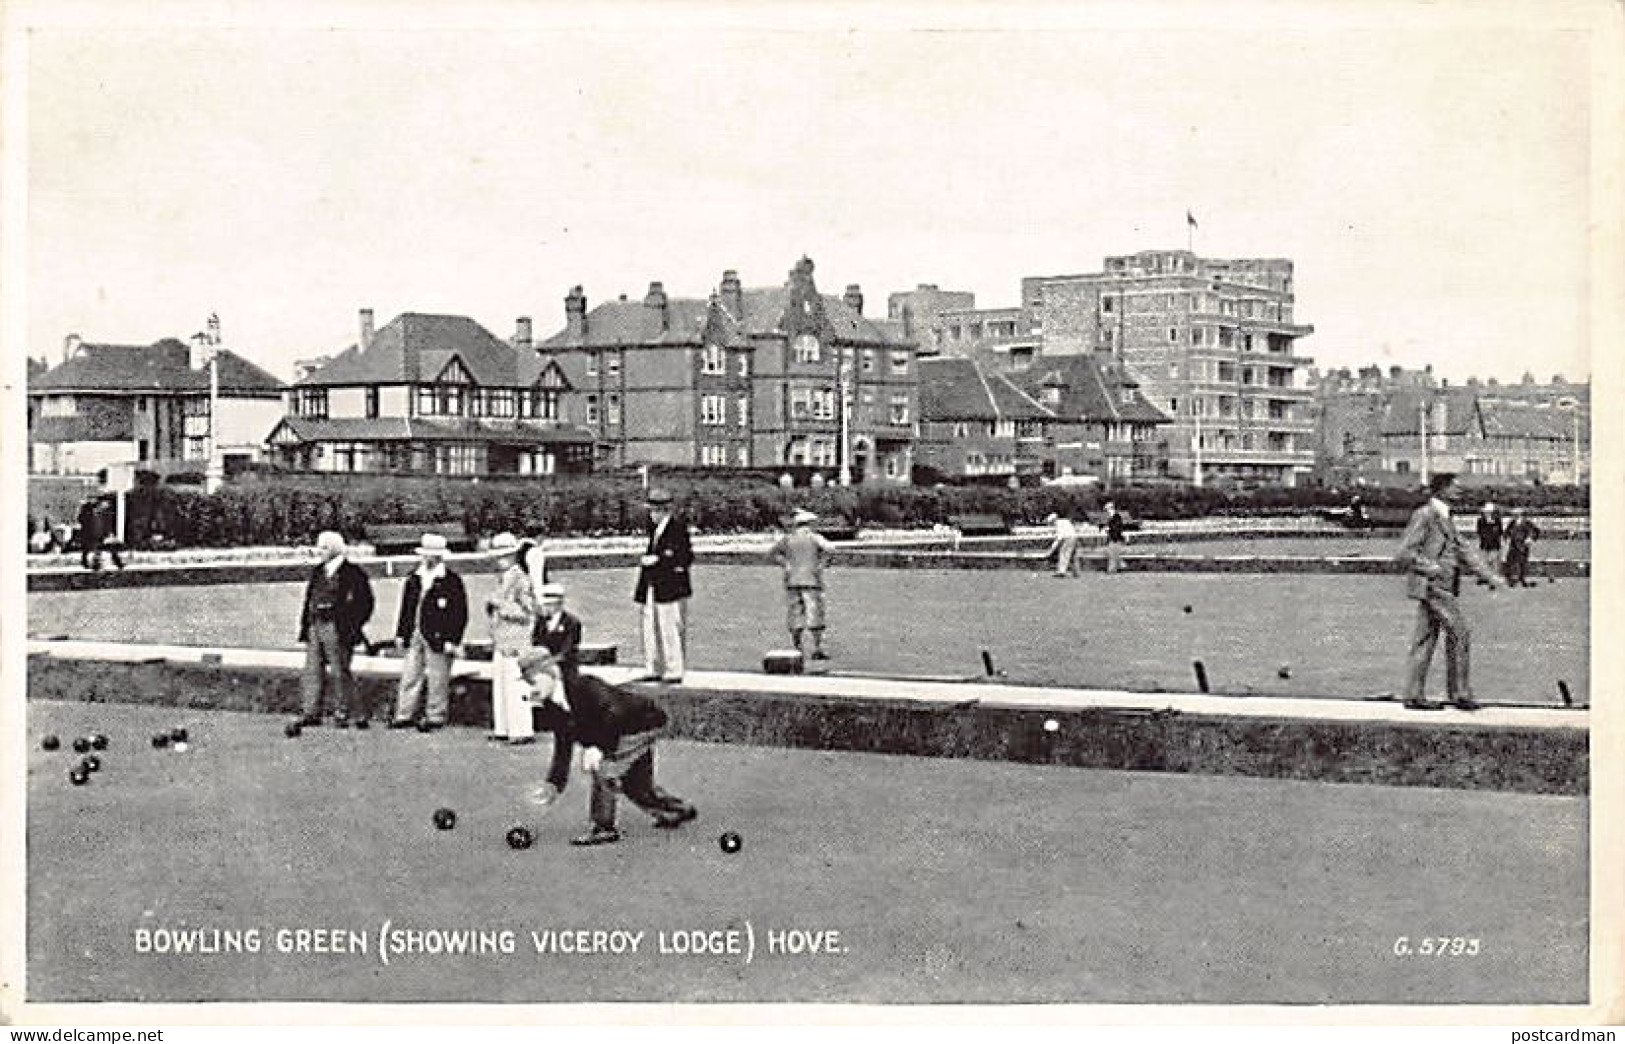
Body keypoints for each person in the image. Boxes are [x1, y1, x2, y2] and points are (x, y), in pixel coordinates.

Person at [516, 650, 697, 847]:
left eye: (532, 680)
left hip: (642, 723)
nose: (530, 687)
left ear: (552, 673)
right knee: (636, 787)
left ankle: (603, 828)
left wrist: (599, 748)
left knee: (605, 768)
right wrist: (554, 784)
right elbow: (563, 746)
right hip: (619, 732)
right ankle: (677, 810)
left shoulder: (584, 685)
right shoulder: (551, 707)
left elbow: (614, 712)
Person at [1395, 473, 1505, 711]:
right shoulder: (1425, 515)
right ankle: (1459, 694)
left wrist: (1490, 576)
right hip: (1434, 586)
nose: (1460, 491)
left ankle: (1414, 695)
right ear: (1442, 490)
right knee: (1460, 633)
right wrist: (1429, 567)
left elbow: (1465, 552)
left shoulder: (1445, 517)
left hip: (1437, 587)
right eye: (1455, 487)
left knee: (1425, 639)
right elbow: (1404, 553)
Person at [295, 531, 375, 728]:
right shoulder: (317, 572)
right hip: (315, 625)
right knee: (312, 670)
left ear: (334, 549)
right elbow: (309, 600)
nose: (319, 552)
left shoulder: (354, 574)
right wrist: (305, 626)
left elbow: (365, 604)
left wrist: (351, 625)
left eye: (323, 548)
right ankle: (311, 712)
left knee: (340, 671)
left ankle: (343, 712)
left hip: (338, 628)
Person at [390, 533, 468, 731]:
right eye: (425, 554)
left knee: (438, 678)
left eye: (431, 555)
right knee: (410, 675)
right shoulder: (414, 578)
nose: (427, 558)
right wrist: (401, 633)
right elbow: (406, 608)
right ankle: (404, 713)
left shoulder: (451, 581)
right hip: (416, 633)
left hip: (438, 635)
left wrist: (453, 639)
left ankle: (435, 716)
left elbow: (459, 614)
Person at [528, 583, 583, 807]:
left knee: (570, 732)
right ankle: (556, 781)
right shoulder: (541, 622)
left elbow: (568, 651)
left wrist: (548, 662)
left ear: (558, 603)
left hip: (566, 680)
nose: (546, 609)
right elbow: (536, 643)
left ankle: (558, 779)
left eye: (549, 604)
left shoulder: (572, 623)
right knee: (561, 735)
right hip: (549, 679)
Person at [632, 488, 693, 684]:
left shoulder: (677, 529)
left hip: (669, 586)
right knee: (650, 626)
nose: (651, 515)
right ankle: (654, 667)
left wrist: (658, 560)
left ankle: (674, 669)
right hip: (652, 584)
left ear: (663, 511)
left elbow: (684, 557)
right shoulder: (655, 530)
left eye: (654, 511)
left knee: (669, 627)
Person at [485, 532, 540, 745]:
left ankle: (521, 730)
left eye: (504, 555)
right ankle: (504, 727)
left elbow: (528, 613)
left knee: (516, 686)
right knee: (501, 684)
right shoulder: (503, 579)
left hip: (516, 640)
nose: (499, 560)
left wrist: (501, 606)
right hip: (502, 639)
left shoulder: (521, 580)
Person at [771, 509, 834, 659]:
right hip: (811, 580)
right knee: (815, 615)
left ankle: (797, 647)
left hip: (792, 579)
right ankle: (817, 648)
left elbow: (773, 553)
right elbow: (831, 549)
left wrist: (785, 564)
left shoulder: (788, 539)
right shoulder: (814, 538)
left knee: (795, 614)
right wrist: (822, 564)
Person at [1503, 508, 1541, 588]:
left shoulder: (1527, 523)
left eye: (1516, 514)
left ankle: (1522, 579)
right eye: (1513, 515)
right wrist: (1505, 537)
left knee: (1522, 563)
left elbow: (1535, 531)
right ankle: (1510, 580)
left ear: (1520, 514)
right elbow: (1507, 531)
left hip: (1523, 545)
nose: (1514, 516)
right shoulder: (1512, 523)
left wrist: (1530, 538)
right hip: (1513, 545)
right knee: (1510, 561)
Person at [1044, 512, 1082, 578]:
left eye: (1051, 523)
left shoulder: (1058, 524)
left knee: (1063, 553)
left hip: (1068, 538)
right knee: (1073, 556)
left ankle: (1061, 572)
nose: (1051, 524)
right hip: (1074, 537)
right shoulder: (1065, 521)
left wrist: (1051, 550)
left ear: (1053, 520)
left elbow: (1059, 538)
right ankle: (1076, 572)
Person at [1474, 502, 1504, 585]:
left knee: (1494, 562)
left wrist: (1495, 538)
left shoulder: (1497, 520)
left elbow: (1500, 532)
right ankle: (1484, 578)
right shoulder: (1480, 521)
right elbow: (1479, 532)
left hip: (1494, 544)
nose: (1487, 513)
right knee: (1483, 562)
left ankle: (1494, 579)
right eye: (1486, 511)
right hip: (1484, 544)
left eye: (1489, 511)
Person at [1102, 501, 1127, 574]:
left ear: (1111, 509)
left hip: (1115, 539)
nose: (1106, 512)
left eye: (1107, 510)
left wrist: (1108, 529)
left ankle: (1112, 570)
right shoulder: (1113, 517)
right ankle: (1120, 566)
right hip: (1114, 538)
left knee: (1112, 554)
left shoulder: (1116, 517)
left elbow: (1117, 528)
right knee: (1114, 554)